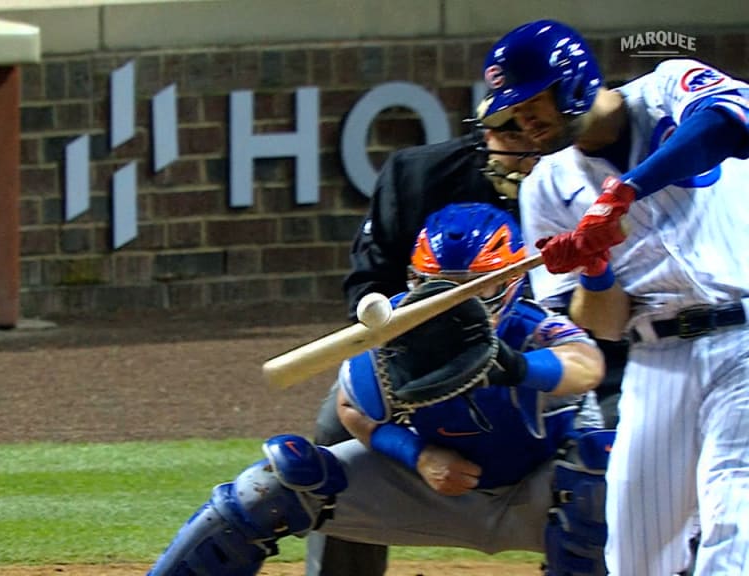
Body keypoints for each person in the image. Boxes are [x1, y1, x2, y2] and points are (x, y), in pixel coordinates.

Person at [147, 202, 612, 576]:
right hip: (432, 488)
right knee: (269, 489)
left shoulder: (533, 328)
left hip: (537, 495)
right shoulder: (394, 329)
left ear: (510, 284)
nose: (452, 304)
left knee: (596, 472)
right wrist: (418, 456)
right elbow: (353, 410)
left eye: (472, 289)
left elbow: (585, 366)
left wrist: (508, 366)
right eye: (437, 288)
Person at [306, 101, 626, 576]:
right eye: (509, 136)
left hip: (567, 352)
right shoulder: (420, 176)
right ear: (485, 134)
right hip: (427, 358)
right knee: (336, 425)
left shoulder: (603, 184)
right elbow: (369, 283)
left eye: (541, 138)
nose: (526, 151)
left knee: (625, 447)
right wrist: (412, 344)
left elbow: (613, 328)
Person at [479, 19, 749, 575]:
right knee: (633, 554)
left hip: (745, 340)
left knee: (732, 524)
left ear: (573, 80)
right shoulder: (546, 186)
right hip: (658, 359)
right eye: (511, 109)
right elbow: (599, 326)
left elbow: (725, 125)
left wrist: (624, 193)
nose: (522, 120)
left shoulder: (668, 87)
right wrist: (596, 268)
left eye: (532, 101)